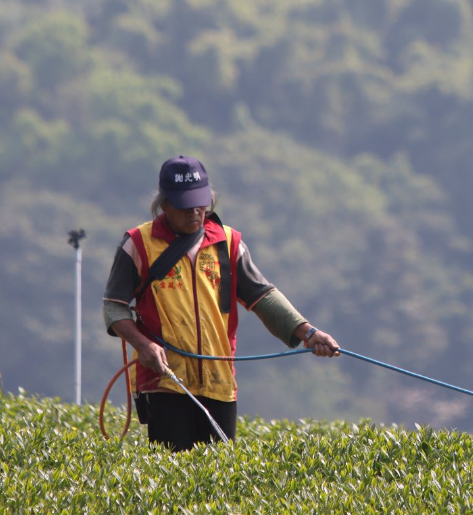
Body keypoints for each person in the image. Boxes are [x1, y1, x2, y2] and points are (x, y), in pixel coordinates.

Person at [102, 155, 340, 450]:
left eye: (201, 204)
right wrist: (143, 345)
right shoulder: (138, 244)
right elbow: (114, 307)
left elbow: (262, 296)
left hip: (220, 384)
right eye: (185, 206)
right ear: (164, 204)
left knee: (219, 479)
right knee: (173, 479)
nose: (195, 213)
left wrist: (309, 333)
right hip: (165, 382)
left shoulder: (229, 243)